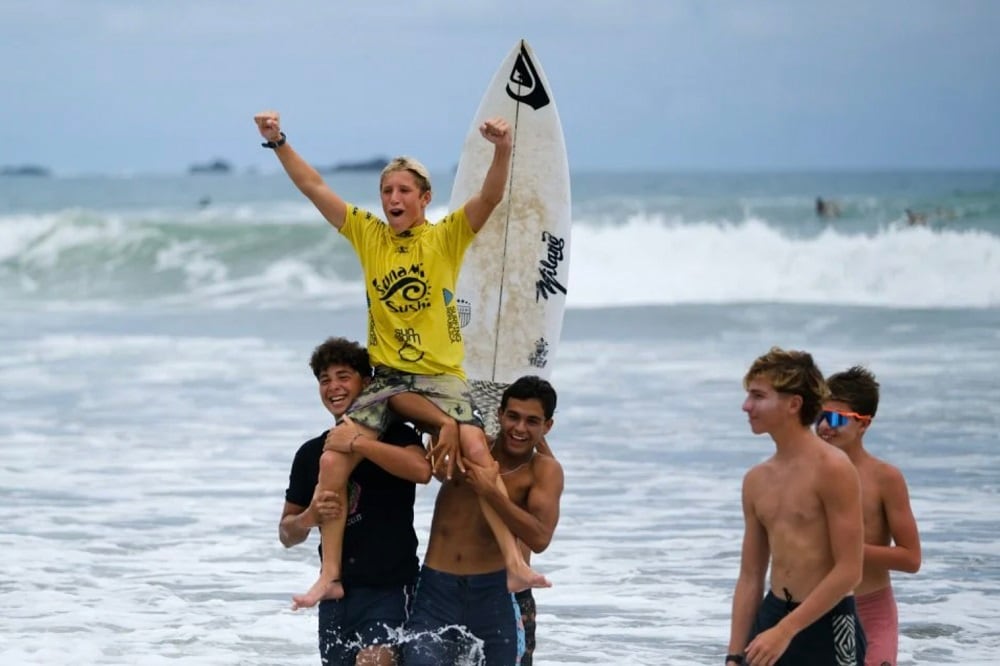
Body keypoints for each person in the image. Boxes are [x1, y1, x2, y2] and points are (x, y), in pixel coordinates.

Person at [254, 110, 548, 609]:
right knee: (331, 455)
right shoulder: (368, 236)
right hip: (388, 376)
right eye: (387, 191)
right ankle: (330, 575)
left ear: (425, 198)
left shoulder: (447, 236)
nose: (393, 199)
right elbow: (315, 188)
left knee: (478, 453)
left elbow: (491, 196)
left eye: (404, 191)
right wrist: (278, 141)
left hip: (442, 376)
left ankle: (515, 564)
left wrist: (502, 149)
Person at [280, 337, 432, 665]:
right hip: (336, 596)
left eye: (343, 376)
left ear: (366, 383)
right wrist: (309, 517)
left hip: (391, 589)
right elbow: (287, 535)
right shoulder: (309, 454)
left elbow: (422, 470)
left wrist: (358, 443)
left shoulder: (397, 435)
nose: (333, 386)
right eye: (324, 380)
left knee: (373, 662)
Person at [402, 376, 564, 666]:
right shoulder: (470, 450)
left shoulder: (543, 471)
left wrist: (493, 493)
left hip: (496, 595)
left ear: (547, 426)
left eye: (532, 421)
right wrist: (447, 425)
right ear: (499, 415)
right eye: (513, 417)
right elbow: (428, 431)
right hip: (437, 591)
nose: (519, 428)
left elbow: (540, 538)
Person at [727, 347, 867, 666]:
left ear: (794, 403)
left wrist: (786, 631)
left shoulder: (833, 469)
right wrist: (734, 655)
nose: (746, 406)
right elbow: (750, 576)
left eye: (758, 396)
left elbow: (849, 570)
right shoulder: (756, 479)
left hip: (829, 624)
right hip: (773, 616)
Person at [817, 366, 921, 666]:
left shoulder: (884, 478)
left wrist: (851, 551)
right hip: (813, 609)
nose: (825, 426)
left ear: (864, 424)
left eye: (837, 418)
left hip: (870, 611)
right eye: (820, 416)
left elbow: (911, 558)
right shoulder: (802, 474)